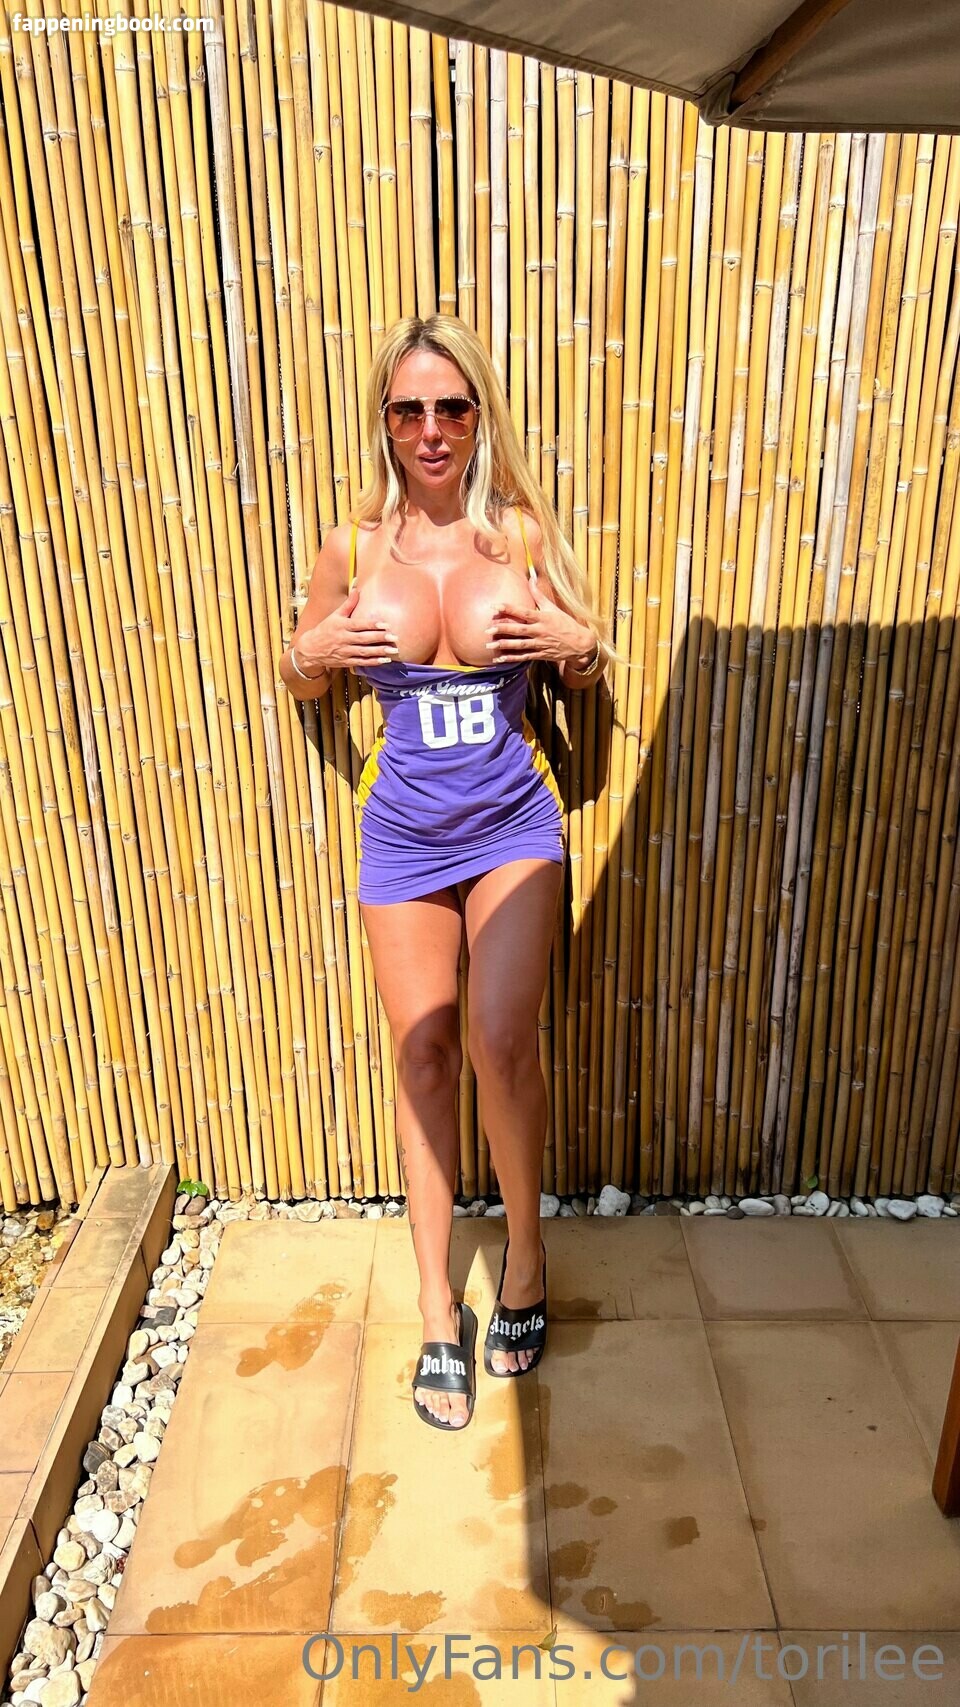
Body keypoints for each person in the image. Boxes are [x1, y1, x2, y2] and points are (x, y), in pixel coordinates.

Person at [278, 314, 615, 1432]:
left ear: (479, 417)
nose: (432, 429)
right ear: (385, 422)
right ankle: (435, 1307)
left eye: (452, 407)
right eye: (409, 409)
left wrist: (574, 647)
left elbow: (585, 658)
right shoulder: (350, 550)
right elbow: (303, 670)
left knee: (500, 1042)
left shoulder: (518, 539)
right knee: (422, 1053)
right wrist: (309, 655)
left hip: (513, 824)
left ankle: (524, 1257)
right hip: (405, 836)